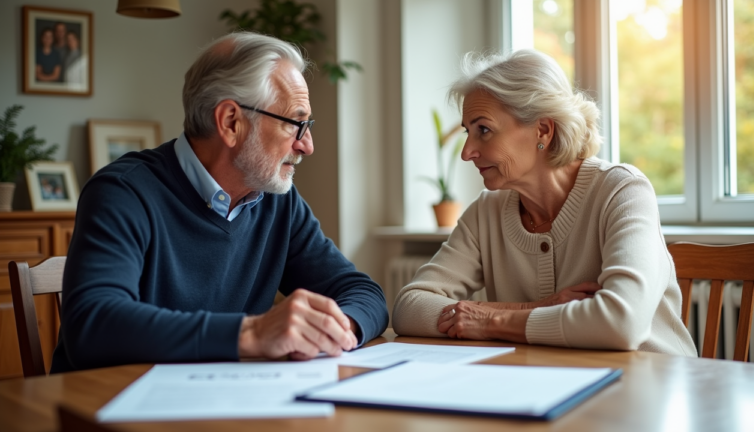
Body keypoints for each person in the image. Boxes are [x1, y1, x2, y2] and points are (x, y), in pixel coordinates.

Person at [51, 32, 389, 373]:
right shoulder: (123, 192)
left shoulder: (276, 201)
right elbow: (92, 325)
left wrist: (334, 328)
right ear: (231, 123)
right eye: (295, 124)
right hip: (108, 407)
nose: (307, 146)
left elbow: (363, 292)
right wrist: (253, 332)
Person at [392, 49, 697, 356]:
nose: (467, 151)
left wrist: (490, 321)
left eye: (483, 129)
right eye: (467, 132)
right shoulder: (486, 213)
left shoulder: (621, 190)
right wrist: (534, 309)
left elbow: (621, 322)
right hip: (556, 387)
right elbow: (410, 307)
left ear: (543, 130)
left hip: (652, 386)